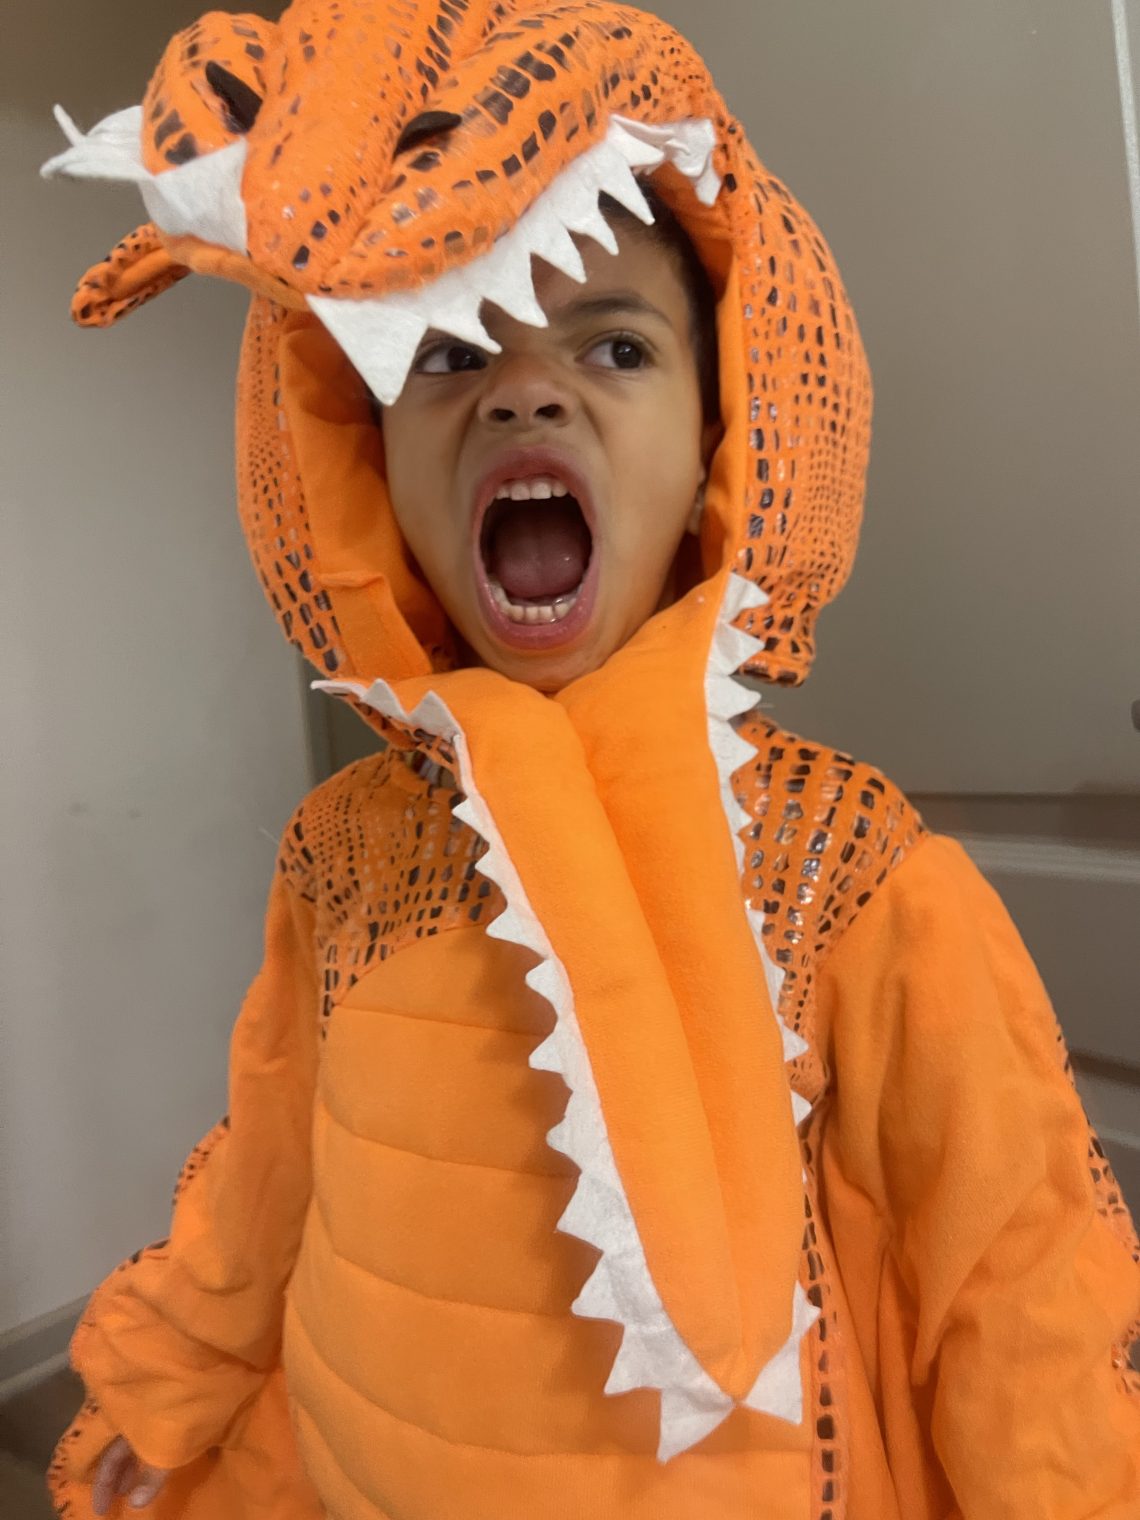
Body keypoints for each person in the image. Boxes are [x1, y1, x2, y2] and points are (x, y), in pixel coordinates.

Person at [40, 2, 1140, 1517]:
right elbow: (264, 1183)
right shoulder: (341, 854)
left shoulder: (859, 876)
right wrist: (160, 1395)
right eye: (442, 352)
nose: (523, 388)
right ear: (366, 460)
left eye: (613, 343)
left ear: (718, 435)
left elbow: (1024, 1301)